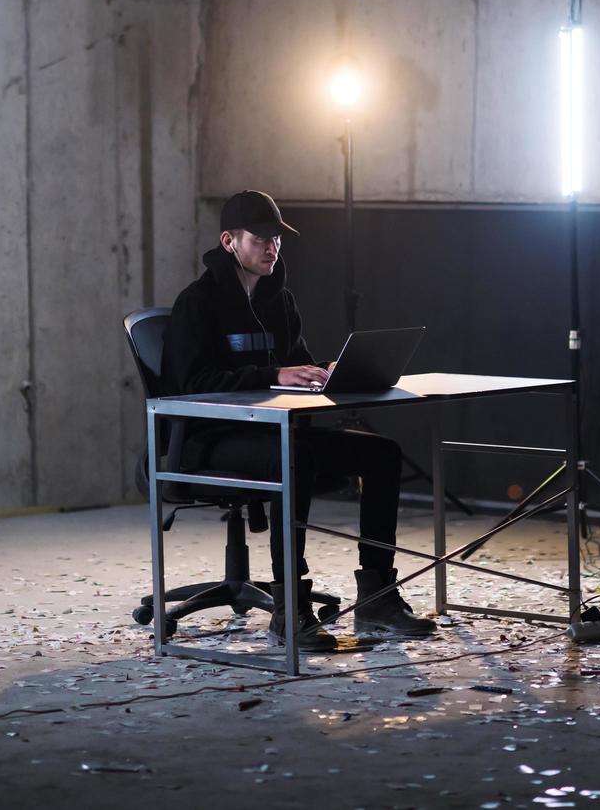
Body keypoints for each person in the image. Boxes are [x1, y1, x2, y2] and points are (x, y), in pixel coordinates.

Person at [161, 189, 435, 651]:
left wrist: (327, 374)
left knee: (382, 454)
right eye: (260, 239)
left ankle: (377, 598)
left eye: (277, 239)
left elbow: (298, 364)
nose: (272, 248)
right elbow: (191, 385)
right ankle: (290, 610)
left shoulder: (278, 301)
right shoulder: (198, 303)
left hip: (272, 434)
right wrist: (273, 373)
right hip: (202, 439)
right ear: (229, 241)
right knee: (296, 458)